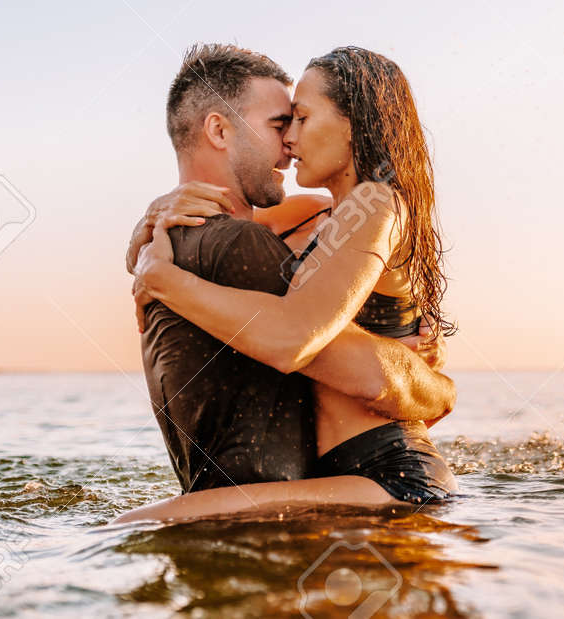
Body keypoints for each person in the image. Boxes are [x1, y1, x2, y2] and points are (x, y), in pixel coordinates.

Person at [115, 44, 455, 524]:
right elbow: (222, 225)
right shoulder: (313, 214)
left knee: (149, 521)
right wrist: (153, 218)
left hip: (392, 476)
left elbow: (293, 339)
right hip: (338, 474)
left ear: (352, 124)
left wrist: (162, 280)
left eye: (302, 119)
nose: (290, 139)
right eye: (284, 122)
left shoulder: (378, 203)